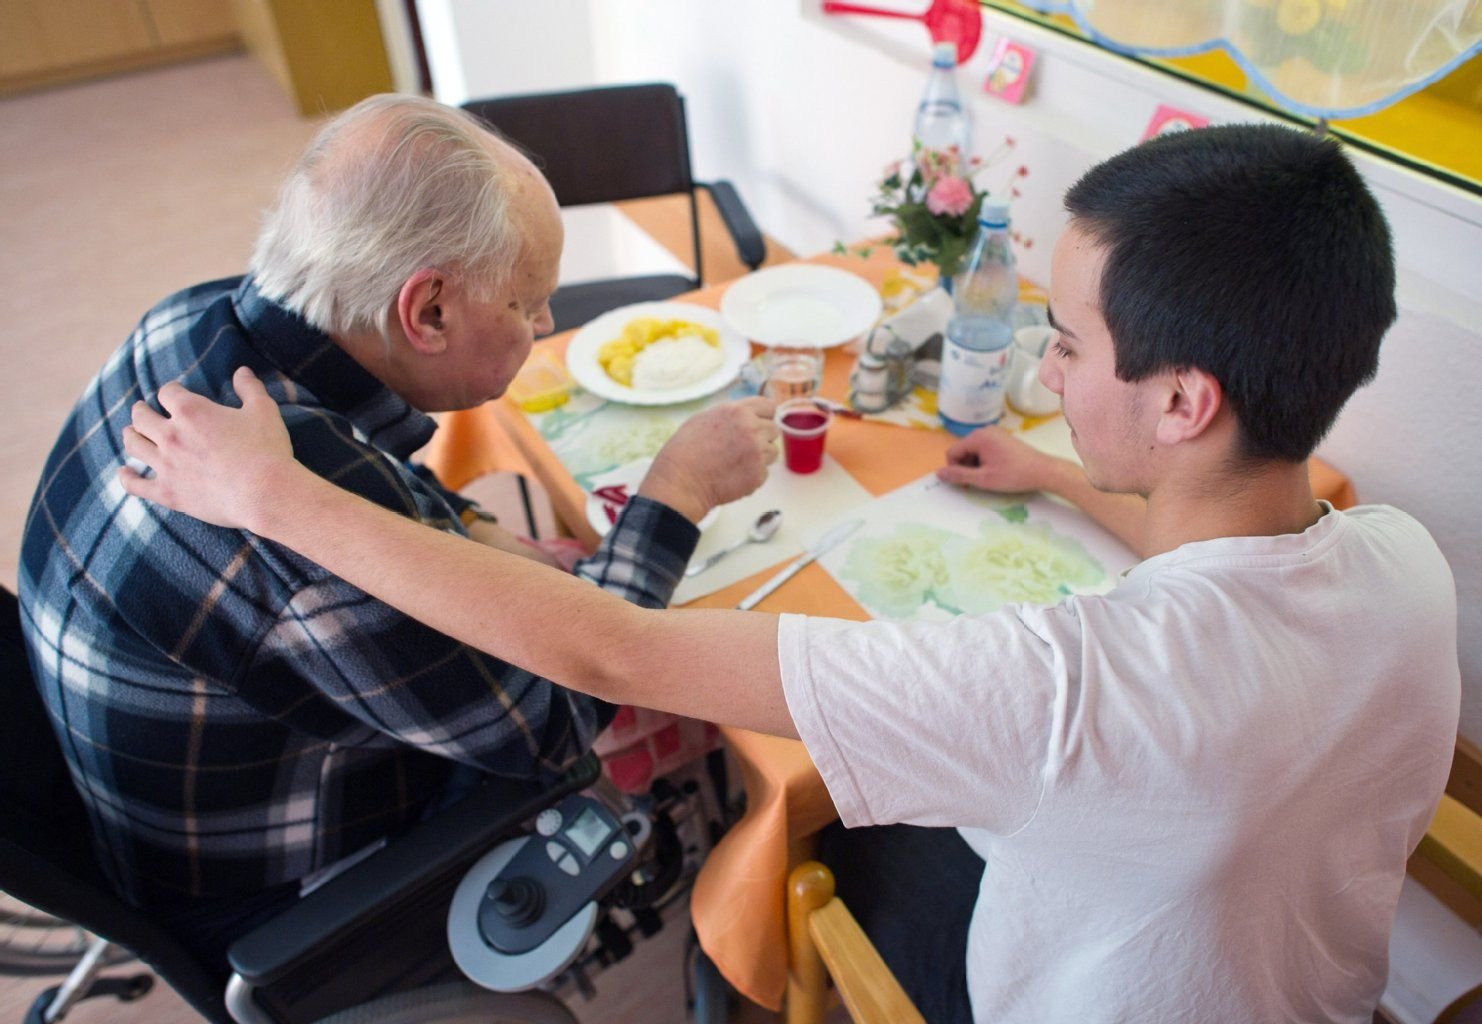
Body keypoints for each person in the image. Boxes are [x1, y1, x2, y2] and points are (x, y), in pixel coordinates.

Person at [119, 124, 1460, 1022]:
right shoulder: (1402, 562)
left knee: (800, 815)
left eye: (1065, 343)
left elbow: (609, 654)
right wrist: (1059, 474)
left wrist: (276, 497)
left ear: (1180, 403)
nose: (1044, 368)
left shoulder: (1059, 688)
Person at [18, 94, 776, 972]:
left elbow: (380, 478)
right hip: (270, 883)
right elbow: (561, 716)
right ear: (430, 313)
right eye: (530, 303)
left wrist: (474, 532)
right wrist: (675, 492)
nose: (544, 327)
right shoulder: (299, 526)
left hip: (139, 789)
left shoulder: (195, 321)